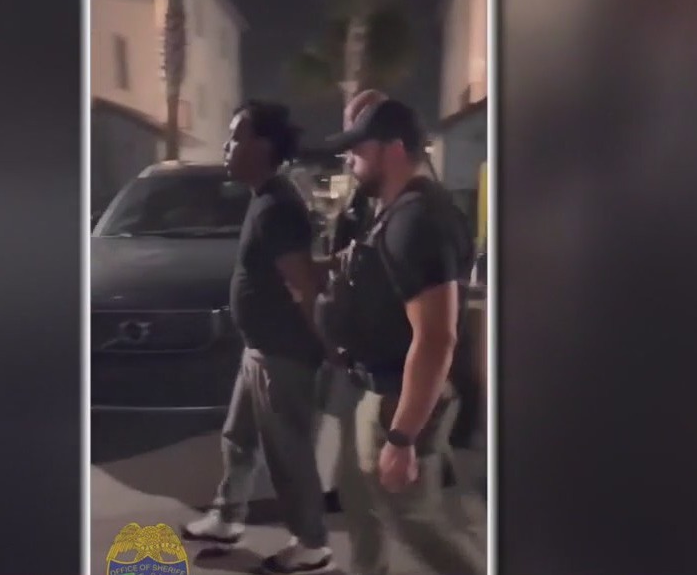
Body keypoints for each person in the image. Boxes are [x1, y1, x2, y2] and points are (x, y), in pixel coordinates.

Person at [320, 91, 485, 575]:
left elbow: (435, 337)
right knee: (364, 499)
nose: (351, 160)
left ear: (393, 149)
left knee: (416, 522)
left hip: (399, 396)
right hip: (379, 386)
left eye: (359, 149)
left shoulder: (416, 221)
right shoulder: (397, 211)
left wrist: (401, 437)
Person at [181, 100, 334, 574]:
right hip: (261, 349)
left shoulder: (276, 207)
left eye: (236, 137)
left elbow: (303, 286)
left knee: (287, 452)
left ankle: (311, 544)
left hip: (282, 354)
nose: (227, 146)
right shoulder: (266, 198)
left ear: (263, 146)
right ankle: (227, 519)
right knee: (239, 439)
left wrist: (329, 347)